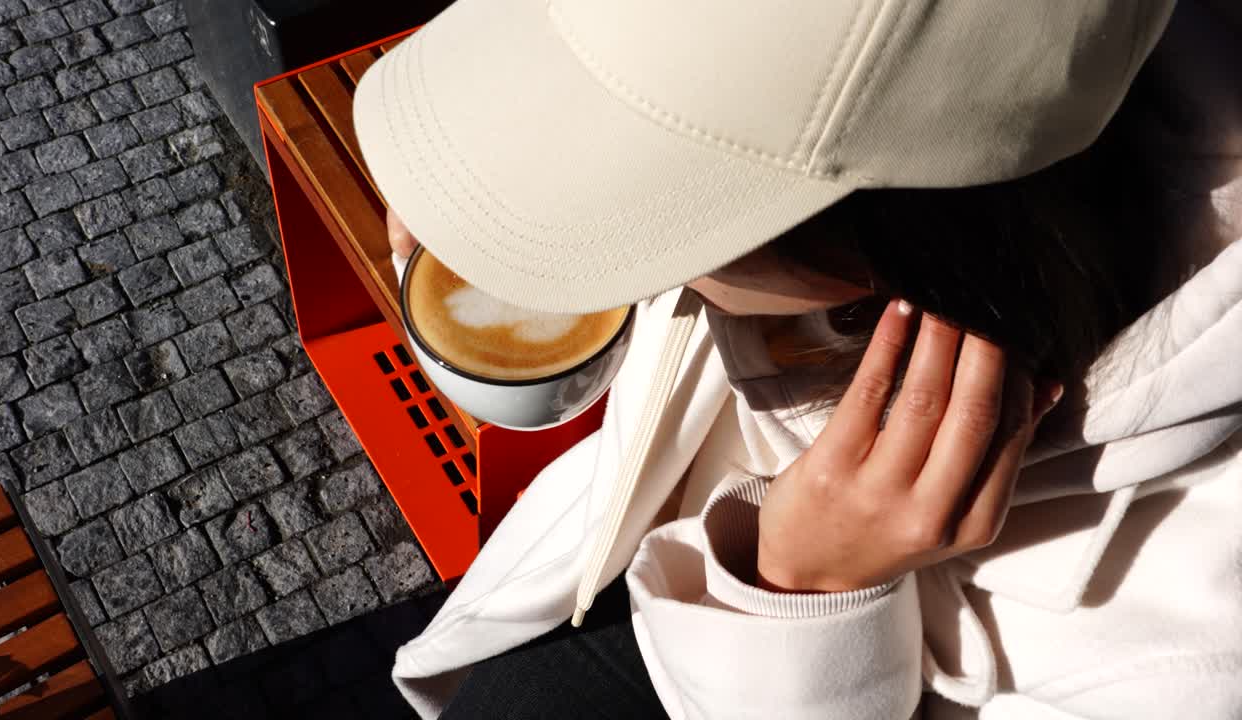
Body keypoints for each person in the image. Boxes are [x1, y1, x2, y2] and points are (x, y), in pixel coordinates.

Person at [352, 0, 1242, 717]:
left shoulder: (1190, 664)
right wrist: (493, 184)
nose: (670, 290)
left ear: (882, 260)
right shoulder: (1069, 124)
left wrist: (803, 594)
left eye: (667, 232)